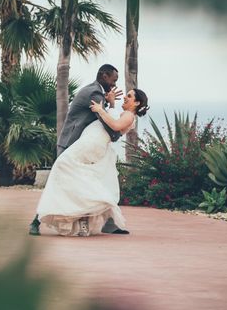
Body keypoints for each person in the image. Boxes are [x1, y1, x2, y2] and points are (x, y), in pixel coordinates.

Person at [29, 86, 149, 236]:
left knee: (61, 165)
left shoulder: (130, 116)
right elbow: (112, 122)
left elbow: (115, 127)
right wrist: (111, 104)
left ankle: (41, 218)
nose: (125, 97)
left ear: (137, 103)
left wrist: (100, 110)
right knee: (76, 176)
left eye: (130, 96)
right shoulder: (124, 113)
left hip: (92, 143)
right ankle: (82, 216)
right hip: (90, 141)